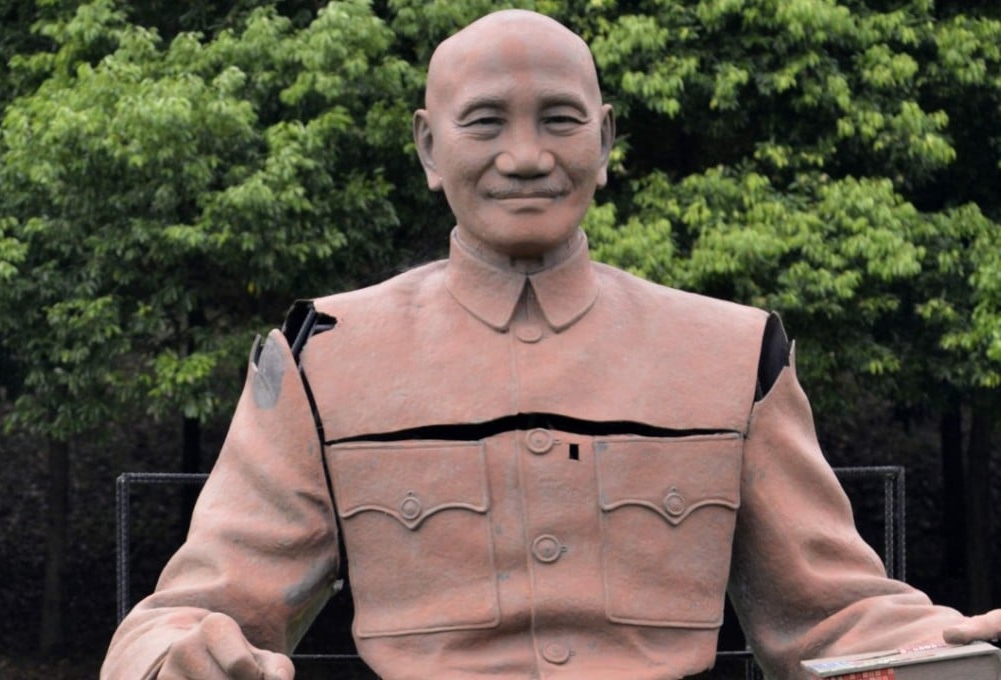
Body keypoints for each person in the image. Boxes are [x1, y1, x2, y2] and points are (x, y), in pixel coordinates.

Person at [102, 9, 1001, 680]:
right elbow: (198, 607)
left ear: (606, 141)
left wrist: (939, 648)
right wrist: (181, 656)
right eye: (484, 121)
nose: (526, 155)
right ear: (426, 146)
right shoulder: (319, 355)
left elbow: (829, 616)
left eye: (562, 120)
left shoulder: (734, 354)